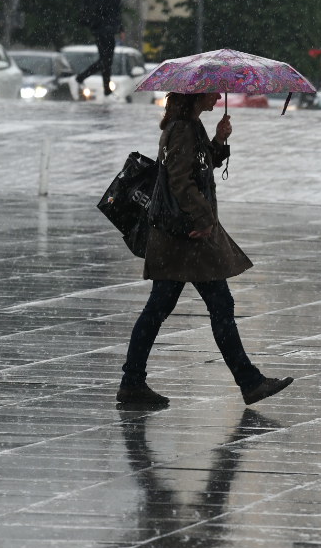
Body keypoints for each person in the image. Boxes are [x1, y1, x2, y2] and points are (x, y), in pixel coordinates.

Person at [117, 92, 292, 409]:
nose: (218, 93)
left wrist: (219, 140)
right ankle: (248, 382)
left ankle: (133, 382)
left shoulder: (190, 126)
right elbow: (181, 181)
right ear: (198, 94)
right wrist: (204, 218)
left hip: (184, 239)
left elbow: (201, 162)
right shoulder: (182, 128)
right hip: (184, 238)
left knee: (166, 309)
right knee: (207, 306)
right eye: (213, 88)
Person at [75, 0, 125, 97]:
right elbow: (103, 7)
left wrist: (121, 29)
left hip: (108, 28)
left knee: (107, 59)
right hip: (102, 28)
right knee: (105, 59)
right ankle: (81, 77)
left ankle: (106, 89)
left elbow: (116, 13)